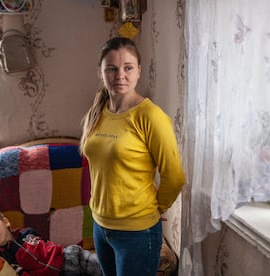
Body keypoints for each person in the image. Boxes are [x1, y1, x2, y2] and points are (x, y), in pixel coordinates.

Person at [79, 37, 186, 276]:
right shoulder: (97, 112)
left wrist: (154, 210)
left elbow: (174, 176)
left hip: (137, 232)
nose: (120, 75)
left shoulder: (151, 116)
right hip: (100, 225)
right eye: (112, 68)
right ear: (101, 72)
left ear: (138, 71)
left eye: (128, 67)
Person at [0, 208, 103, 276]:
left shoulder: (26, 233)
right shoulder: (5, 258)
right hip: (62, 274)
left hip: (69, 258)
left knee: (108, 269)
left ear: (5, 222)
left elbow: (46, 247)